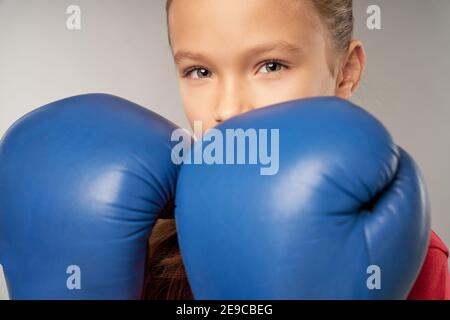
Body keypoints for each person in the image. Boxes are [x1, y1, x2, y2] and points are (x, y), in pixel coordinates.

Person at [143, 0, 450, 299]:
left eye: (271, 66)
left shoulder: (403, 254)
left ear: (345, 72)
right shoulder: (138, 242)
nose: (228, 109)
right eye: (199, 71)